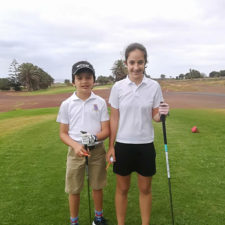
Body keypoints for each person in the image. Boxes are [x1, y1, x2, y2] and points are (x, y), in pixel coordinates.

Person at [106, 43, 169, 225]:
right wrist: (111, 146)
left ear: (145, 63)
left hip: (145, 144)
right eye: (132, 62)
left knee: (145, 188)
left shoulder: (154, 86)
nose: (136, 67)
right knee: (122, 188)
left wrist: (164, 113)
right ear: (126, 63)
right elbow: (114, 118)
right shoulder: (118, 87)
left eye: (140, 62)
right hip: (123, 145)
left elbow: (155, 116)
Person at [57, 61, 109, 225]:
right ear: (73, 81)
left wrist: (94, 138)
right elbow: (63, 134)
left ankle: (98, 218)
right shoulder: (67, 104)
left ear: (94, 80)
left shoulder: (100, 102)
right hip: (75, 151)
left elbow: (106, 131)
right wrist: (76, 145)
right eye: (79, 78)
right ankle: (74, 222)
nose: (84, 81)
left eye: (88, 77)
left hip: (97, 150)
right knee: (74, 188)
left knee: (97, 185)